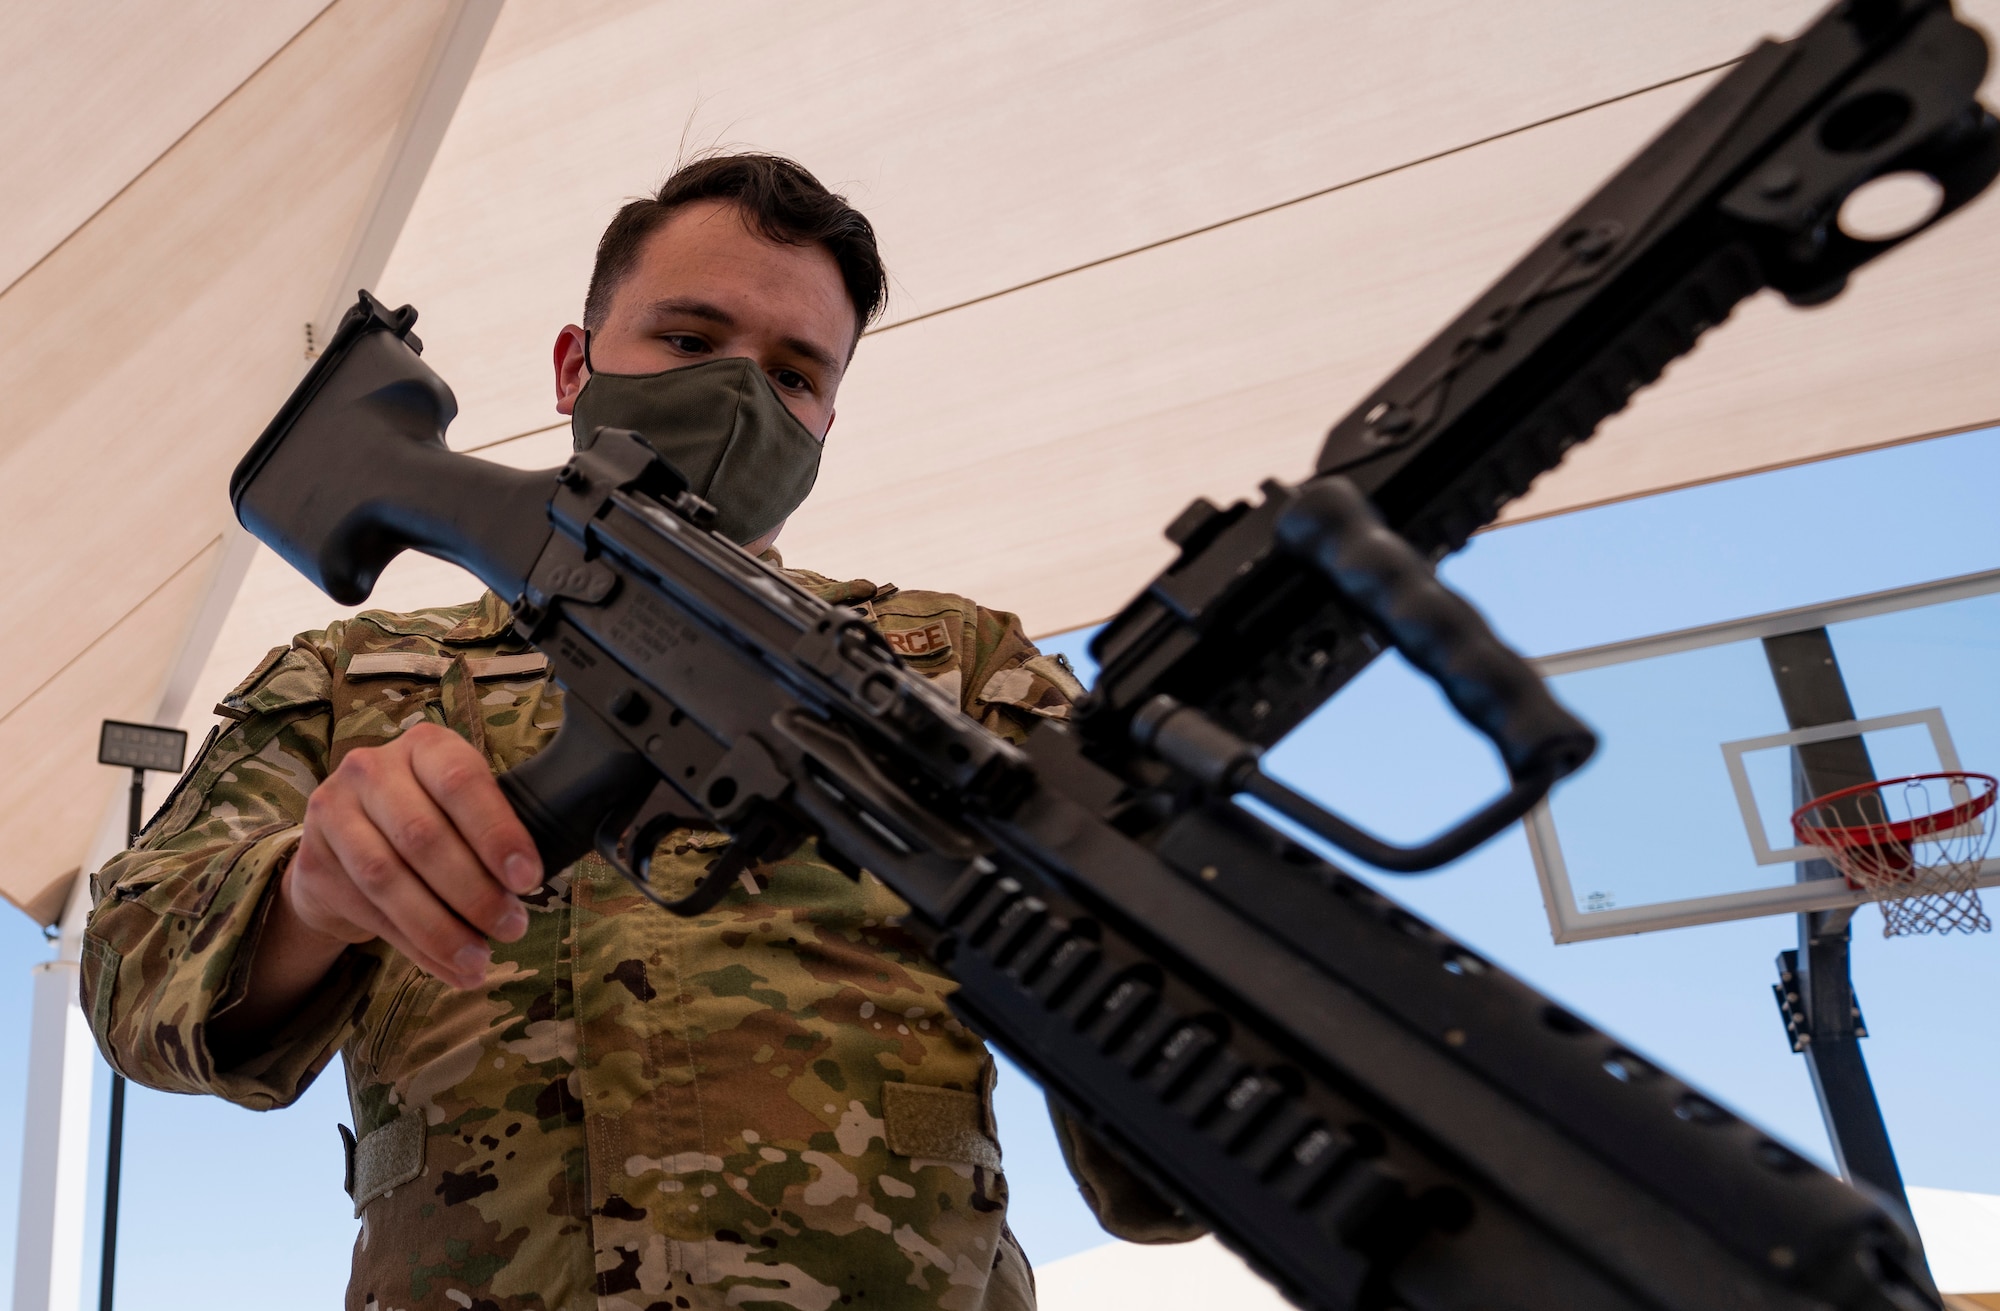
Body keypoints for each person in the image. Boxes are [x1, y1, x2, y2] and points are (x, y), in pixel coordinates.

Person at [83, 154, 1197, 1311]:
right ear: (575, 365)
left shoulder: (956, 669)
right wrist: (315, 890)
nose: (739, 397)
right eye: (687, 338)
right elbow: (129, 975)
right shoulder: (357, 679)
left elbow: (1169, 1030)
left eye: (794, 374)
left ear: (824, 422)